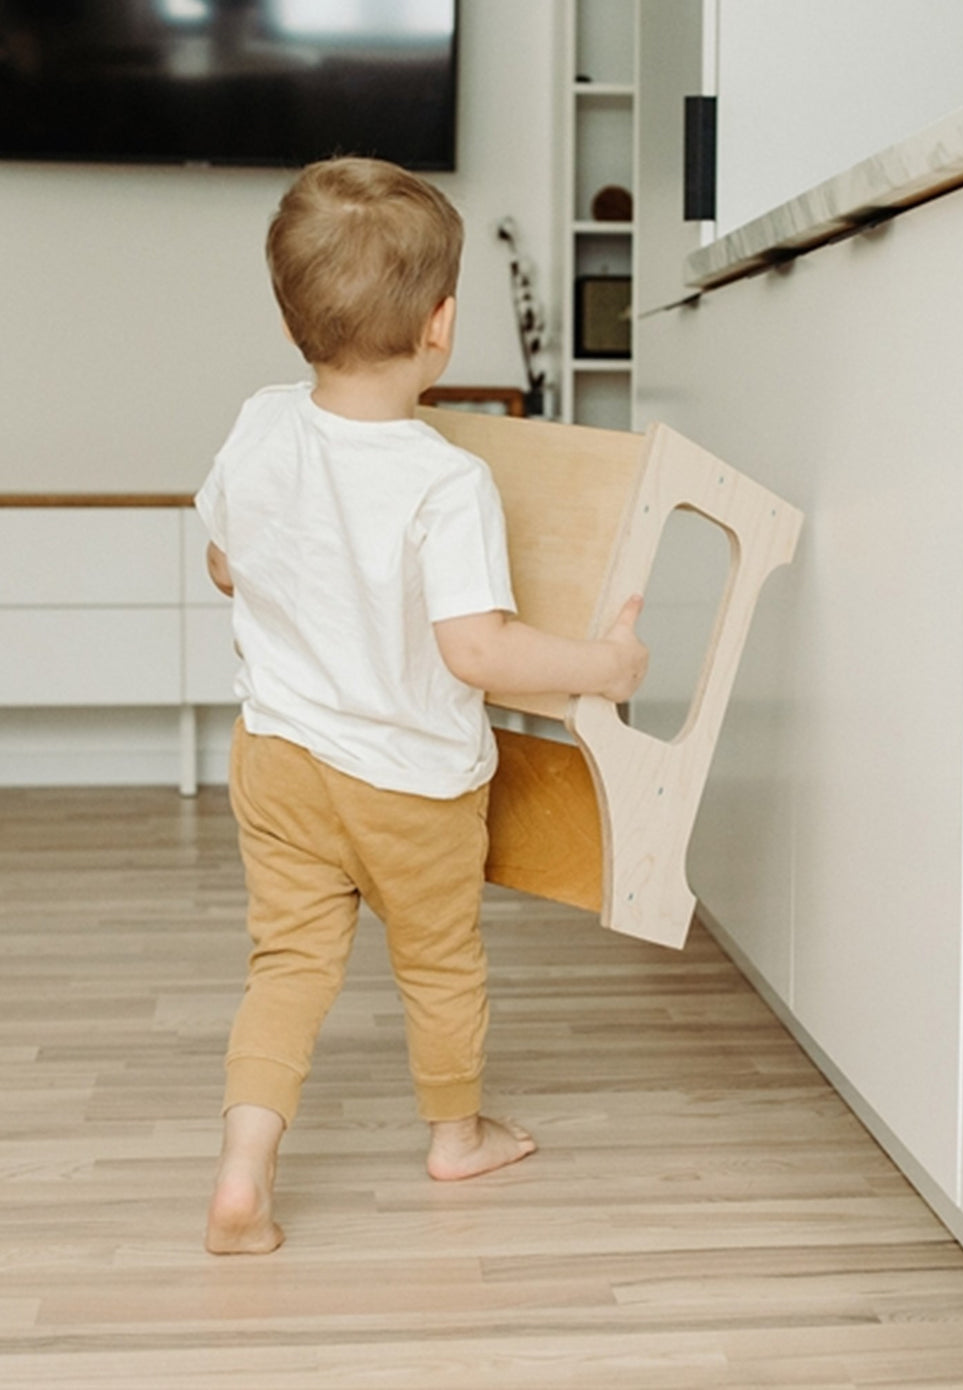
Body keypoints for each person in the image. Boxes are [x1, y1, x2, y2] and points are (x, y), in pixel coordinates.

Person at [195, 157, 648, 1255]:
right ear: (440, 325)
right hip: (408, 783)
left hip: (277, 758)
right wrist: (602, 662)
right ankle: (455, 1134)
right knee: (439, 962)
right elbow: (478, 649)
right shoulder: (444, 481)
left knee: (289, 965)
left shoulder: (260, 423)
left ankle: (243, 1168)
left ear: (290, 313)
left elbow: (223, 562)